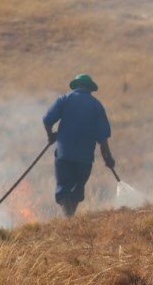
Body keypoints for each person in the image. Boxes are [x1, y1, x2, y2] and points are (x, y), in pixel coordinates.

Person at [43, 74, 116, 217]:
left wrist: (50, 135)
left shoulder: (65, 99)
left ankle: (68, 219)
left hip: (64, 155)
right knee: (77, 189)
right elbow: (103, 137)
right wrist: (108, 157)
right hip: (84, 158)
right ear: (90, 89)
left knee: (64, 188)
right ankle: (69, 220)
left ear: (76, 86)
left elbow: (47, 120)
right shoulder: (96, 105)